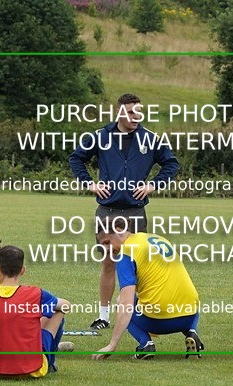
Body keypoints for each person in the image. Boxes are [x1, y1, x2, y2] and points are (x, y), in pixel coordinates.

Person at [68, 93, 179, 331]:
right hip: (107, 212)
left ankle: (138, 316)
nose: (135, 117)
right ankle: (103, 317)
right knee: (109, 263)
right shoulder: (100, 136)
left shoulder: (150, 139)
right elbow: (76, 158)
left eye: (139, 112)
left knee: (139, 266)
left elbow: (171, 163)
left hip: (135, 212)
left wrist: (152, 185)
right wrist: (90, 183)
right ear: (119, 112)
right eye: (130, 112)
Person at [91, 217, 204, 360]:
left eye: (107, 242)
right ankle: (192, 332)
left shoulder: (126, 254)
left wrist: (112, 345)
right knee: (188, 297)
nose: (106, 249)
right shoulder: (158, 238)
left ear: (119, 231)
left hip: (159, 321)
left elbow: (126, 304)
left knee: (121, 301)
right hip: (190, 314)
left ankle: (145, 344)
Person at [0, 246, 72, 378]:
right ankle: (50, 362)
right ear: (22, 270)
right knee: (58, 311)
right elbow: (66, 305)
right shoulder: (35, 293)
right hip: (31, 370)